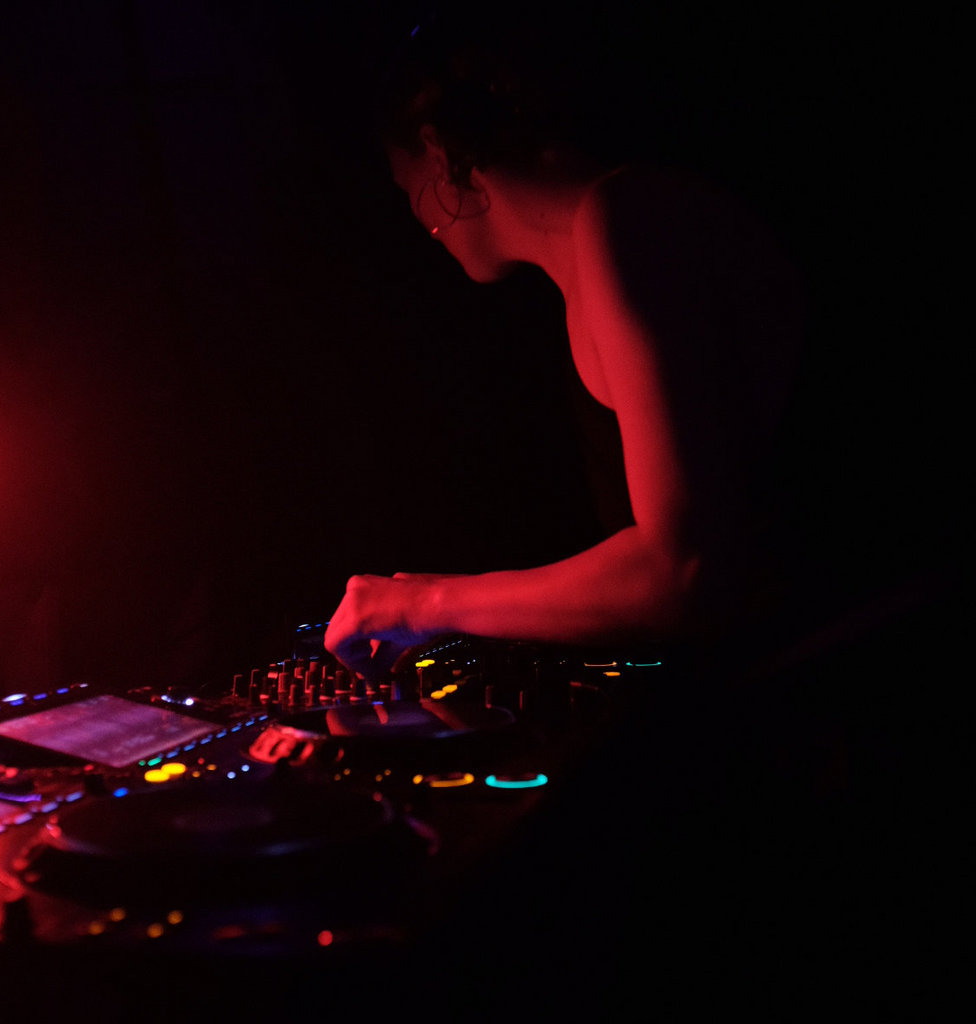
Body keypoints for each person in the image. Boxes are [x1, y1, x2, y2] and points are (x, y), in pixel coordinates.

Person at [324, 12, 804, 681]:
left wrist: (421, 604)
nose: (418, 219)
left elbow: (684, 569)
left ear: (436, 153)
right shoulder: (604, 242)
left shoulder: (627, 218)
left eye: (407, 190)